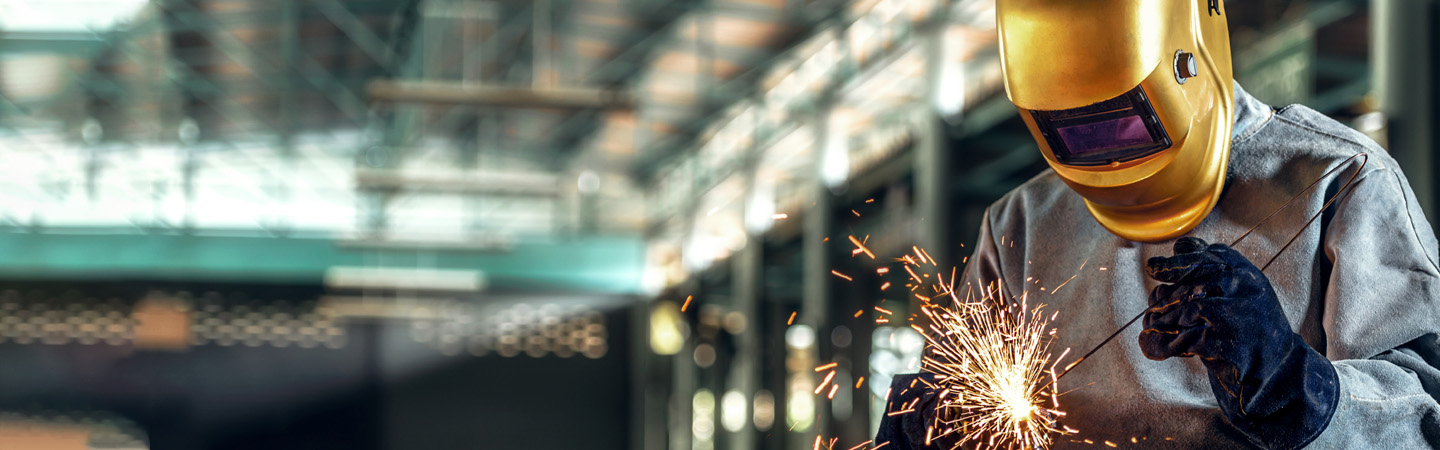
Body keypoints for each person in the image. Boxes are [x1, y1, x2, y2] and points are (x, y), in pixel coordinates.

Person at [876, 0, 1440, 448]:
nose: (1112, 162)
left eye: (1127, 118)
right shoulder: (1019, 223)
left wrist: (1293, 381)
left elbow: (1422, 421)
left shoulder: (1339, 177)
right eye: (1069, 131)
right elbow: (974, 402)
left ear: (1189, 54)